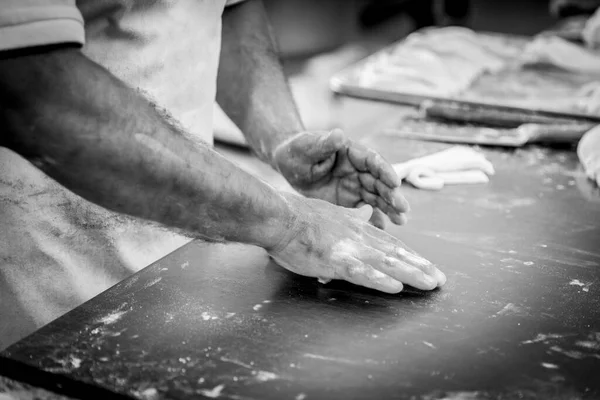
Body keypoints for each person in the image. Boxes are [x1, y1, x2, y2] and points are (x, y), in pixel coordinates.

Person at [0, 0, 446, 350]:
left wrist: (283, 139)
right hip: (49, 278)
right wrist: (287, 223)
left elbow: (230, 9)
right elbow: (35, 89)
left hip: (189, 243)